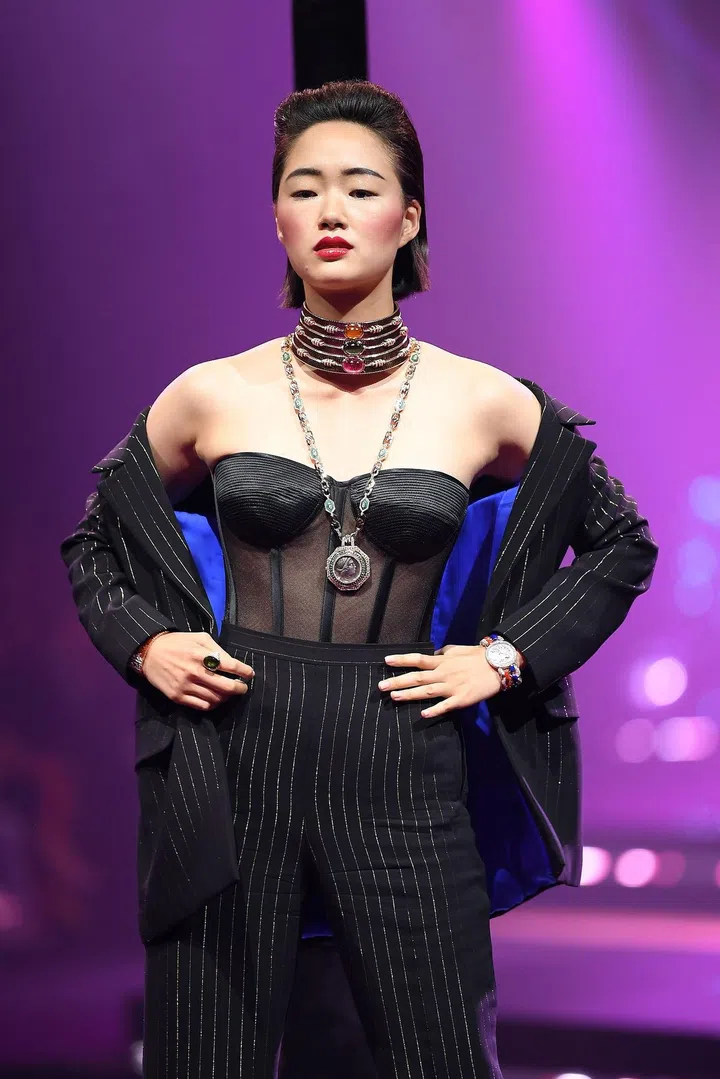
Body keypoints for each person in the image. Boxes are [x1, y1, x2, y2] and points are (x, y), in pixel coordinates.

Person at [60, 80, 658, 1079]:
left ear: (409, 214)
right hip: (234, 750)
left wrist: (506, 658)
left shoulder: (483, 397)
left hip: (403, 758)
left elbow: (621, 540)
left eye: (359, 186)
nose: (330, 211)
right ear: (277, 217)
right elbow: (94, 544)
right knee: (204, 1057)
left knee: (442, 1057)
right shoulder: (211, 391)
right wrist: (145, 641)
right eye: (304, 189)